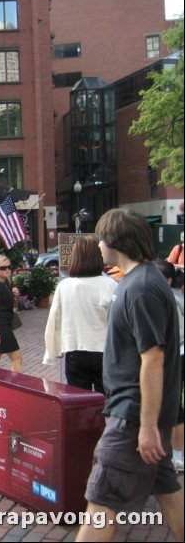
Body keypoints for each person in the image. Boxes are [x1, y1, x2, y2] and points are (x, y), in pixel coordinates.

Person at [76, 209, 183, 542]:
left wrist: (148, 426)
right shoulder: (137, 281)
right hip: (139, 417)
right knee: (168, 492)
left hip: (132, 419)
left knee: (101, 501)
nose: (98, 246)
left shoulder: (141, 287)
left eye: (101, 238)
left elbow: (153, 358)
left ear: (113, 241)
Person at [43, 237, 117, 393]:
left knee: (78, 401)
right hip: (104, 350)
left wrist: (52, 351)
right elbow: (117, 321)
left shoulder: (65, 286)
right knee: (106, 399)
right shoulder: (110, 285)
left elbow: (55, 320)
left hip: (75, 348)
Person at [154, 260, 184, 473]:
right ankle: (177, 455)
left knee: (173, 406)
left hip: (174, 356)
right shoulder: (177, 297)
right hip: (178, 354)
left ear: (168, 280)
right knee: (176, 406)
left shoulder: (166, 299)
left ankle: (176, 455)